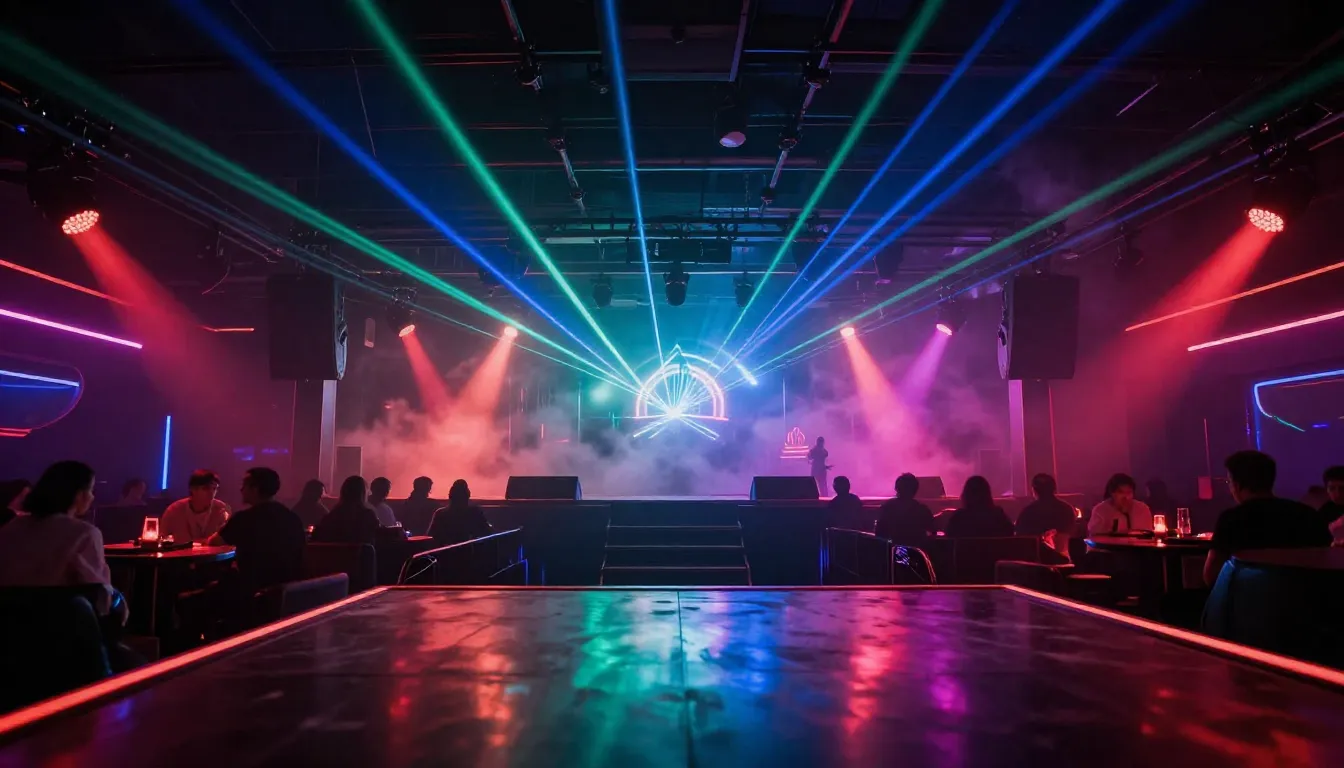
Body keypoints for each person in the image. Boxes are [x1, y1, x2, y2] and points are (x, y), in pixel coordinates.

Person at [0, 462, 118, 617]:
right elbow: (101, 600)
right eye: (91, 490)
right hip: (63, 626)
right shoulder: (86, 533)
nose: (92, 497)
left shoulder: (10, 528)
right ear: (79, 495)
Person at [1203, 451, 1331, 586]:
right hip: (1305, 595)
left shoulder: (1231, 519)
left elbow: (1211, 576)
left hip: (1249, 597)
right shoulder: (1307, 514)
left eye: (1229, 481)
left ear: (1237, 485)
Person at [206, 468, 305, 591]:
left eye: (244, 485)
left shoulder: (244, 518)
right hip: (287, 590)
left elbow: (214, 542)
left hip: (250, 591)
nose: (241, 489)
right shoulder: (292, 518)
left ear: (255, 489)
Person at [1015, 473, 1078, 563]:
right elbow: (1074, 534)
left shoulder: (1027, 512)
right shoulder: (1067, 509)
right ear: (1054, 489)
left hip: (1036, 563)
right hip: (1065, 561)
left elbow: (1020, 538)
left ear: (1033, 490)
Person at [160, 470, 231, 543]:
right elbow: (162, 539)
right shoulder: (174, 511)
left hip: (212, 551)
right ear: (193, 489)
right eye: (206, 488)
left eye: (214, 488)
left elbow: (228, 540)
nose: (211, 493)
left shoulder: (221, 510)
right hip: (181, 550)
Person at [311, 476, 381, 545]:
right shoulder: (368, 516)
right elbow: (378, 539)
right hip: (361, 553)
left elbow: (315, 540)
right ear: (363, 493)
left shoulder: (330, 517)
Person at [875, 473, 936, 546]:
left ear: (897, 488)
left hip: (891, 550)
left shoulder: (887, 507)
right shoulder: (922, 510)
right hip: (916, 551)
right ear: (915, 490)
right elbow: (933, 532)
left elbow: (879, 533)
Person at [945, 476, 1014, 538]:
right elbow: (1010, 533)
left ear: (966, 495)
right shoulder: (999, 517)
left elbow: (948, 538)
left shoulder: (958, 519)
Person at [428, 479, 492, 546]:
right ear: (467, 496)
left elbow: (430, 537)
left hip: (445, 551)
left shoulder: (440, 513)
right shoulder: (475, 512)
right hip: (469, 550)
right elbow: (488, 533)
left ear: (450, 496)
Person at [1087, 473, 1153, 535]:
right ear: (1112, 493)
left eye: (1129, 492)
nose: (1126, 497)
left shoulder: (1142, 509)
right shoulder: (1100, 511)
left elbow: (1149, 536)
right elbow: (1093, 537)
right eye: (1121, 492)